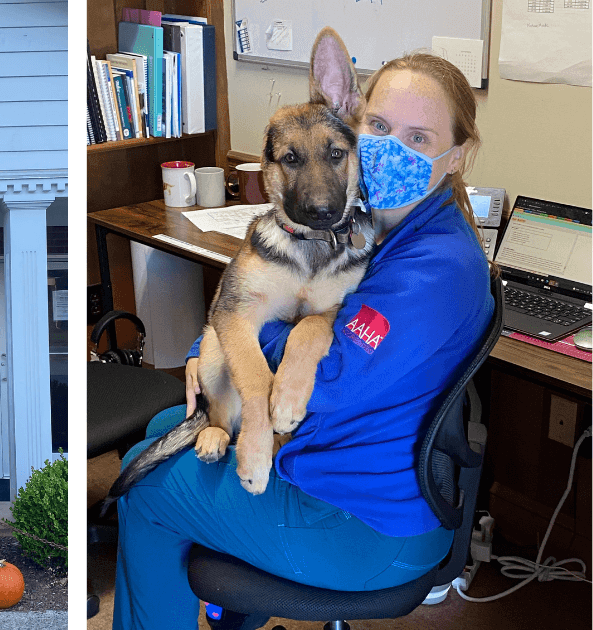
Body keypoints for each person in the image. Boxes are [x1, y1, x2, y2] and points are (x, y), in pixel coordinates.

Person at [112, 52, 495, 630]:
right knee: (165, 427)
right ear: (353, 121)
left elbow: (327, 380)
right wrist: (210, 344)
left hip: (359, 525)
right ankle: (231, 610)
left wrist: (235, 337)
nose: (392, 148)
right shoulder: (376, 223)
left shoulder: (435, 266)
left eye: (419, 137)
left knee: (143, 485)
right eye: (381, 127)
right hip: (333, 466)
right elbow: (254, 304)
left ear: (458, 154)